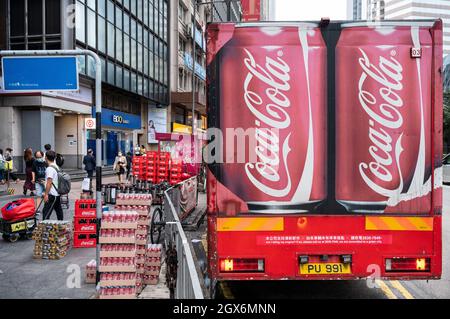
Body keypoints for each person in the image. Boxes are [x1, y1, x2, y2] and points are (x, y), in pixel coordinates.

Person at [42, 150, 64, 221]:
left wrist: (46, 194)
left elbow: (49, 183)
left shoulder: (50, 168)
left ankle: (44, 227)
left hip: (52, 194)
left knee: (46, 212)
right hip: (57, 193)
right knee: (58, 211)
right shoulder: (56, 166)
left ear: (46, 157)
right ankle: (61, 225)